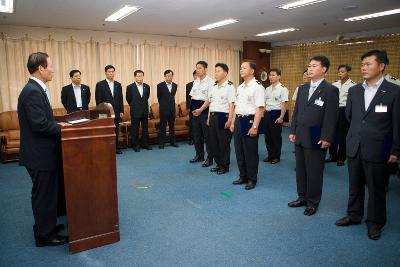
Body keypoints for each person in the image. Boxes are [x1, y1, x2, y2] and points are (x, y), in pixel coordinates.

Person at [335, 50, 400, 240]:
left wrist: (396, 150)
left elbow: (397, 123)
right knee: (354, 184)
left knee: (376, 188)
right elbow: (350, 116)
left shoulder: (394, 91)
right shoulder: (355, 91)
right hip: (355, 145)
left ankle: (375, 222)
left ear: (381, 66)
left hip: (379, 147)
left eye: (369, 64)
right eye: (362, 64)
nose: (364, 67)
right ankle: (353, 215)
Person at [17, 52, 70, 247]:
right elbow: (39, 125)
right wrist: (62, 127)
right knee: (43, 195)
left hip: (42, 152)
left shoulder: (36, 89)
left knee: (47, 194)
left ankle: (45, 226)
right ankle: (44, 236)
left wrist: (57, 123)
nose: (53, 69)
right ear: (41, 68)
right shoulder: (32, 91)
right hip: (39, 155)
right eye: (51, 65)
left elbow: (43, 119)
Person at [288, 55, 339, 216]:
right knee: (301, 170)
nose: (310, 69)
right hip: (300, 134)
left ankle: (312, 202)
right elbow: (296, 112)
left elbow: (331, 116)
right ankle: (302, 197)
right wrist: (293, 131)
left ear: (324, 69)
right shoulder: (302, 88)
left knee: (314, 171)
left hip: (317, 135)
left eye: (314, 66)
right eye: (309, 66)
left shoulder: (330, 90)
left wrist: (327, 137)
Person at [231, 61, 265, 190]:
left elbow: (259, 108)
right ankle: (243, 176)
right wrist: (233, 122)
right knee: (239, 150)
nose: (241, 70)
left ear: (252, 71)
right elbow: (236, 106)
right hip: (239, 120)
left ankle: (252, 179)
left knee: (250, 152)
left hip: (250, 121)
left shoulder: (257, 87)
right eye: (240, 68)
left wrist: (255, 127)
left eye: (244, 68)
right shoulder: (240, 87)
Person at [207, 63, 235, 175]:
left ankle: (224, 166)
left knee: (223, 143)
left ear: (225, 73)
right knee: (213, 142)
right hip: (213, 116)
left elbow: (232, 105)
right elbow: (211, 103)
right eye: (215, 71)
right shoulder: (213, 86)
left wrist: (230, 120)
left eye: (218, 71)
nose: (216, 73)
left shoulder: (230, 87)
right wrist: (209, 117)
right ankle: (218, 164)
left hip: (224, 116)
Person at [326, 64, 355, 166]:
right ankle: (332, 155)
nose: (340, 74)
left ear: (348, 72)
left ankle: (341, 157)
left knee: (343, 135)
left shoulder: (353, 85)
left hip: (345, 111)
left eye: (343, 71)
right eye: (339, 72)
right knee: (332, 133)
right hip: (334, 110)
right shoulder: (334, 84)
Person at [189, 61, 214, 167]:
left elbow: (209, 99)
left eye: (200, 68)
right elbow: (192, 96)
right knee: (196, 135)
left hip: (204, 111)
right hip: (194, 111)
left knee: (207, 136)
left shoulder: (211, 82)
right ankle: (199, 155)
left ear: (205, 69)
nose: (197, 70)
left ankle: (210, 158)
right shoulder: (196, 81)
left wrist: (200, 109)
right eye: (197, 68)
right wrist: (194, 110)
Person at [95, 65, 124, 154]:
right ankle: (107, 148)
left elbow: (120, 98)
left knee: (115, 130)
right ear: (105, 72)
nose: (111, 73)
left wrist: (121, 110)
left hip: (116, 111)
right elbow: (98, 100)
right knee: (106, 130)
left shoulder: (118, 84)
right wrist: (100, 113)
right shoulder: (100, 84)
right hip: (105, 113)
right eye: (109, 71)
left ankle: (115, 148)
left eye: (112, 71)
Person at [263, 68, 289, 164]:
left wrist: (281, 117)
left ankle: (276, 156)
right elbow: (264, 103)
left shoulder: (283, 89)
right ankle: (270, 155)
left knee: (276, 136)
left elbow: (284, 104)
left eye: (273, 75)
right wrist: (263, 114)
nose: (271, 77)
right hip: (267, 114)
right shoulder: (267, 88)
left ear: (279, 76)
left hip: (276, 113)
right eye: (270, 75)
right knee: (267, 136)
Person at [126, 70, 151, 152]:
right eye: (138, 76)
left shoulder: (147, 86)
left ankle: (145, 144)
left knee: (145, 128)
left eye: (141, 76)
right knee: (135, 129)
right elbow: (128, 99)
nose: (140, 77)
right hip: (135, 110)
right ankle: (135, 145)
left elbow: (146, 97)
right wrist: (134, 105)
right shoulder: (130, 87)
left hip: (144, 110)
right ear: (135, 77)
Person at [157, 69, 179, 149]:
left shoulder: (175, 85)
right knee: (162, 126)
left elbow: (172, 96)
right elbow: (159, 97)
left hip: (172, 109)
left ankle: (172, 142)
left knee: (172, 126)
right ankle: (161, 143)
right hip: (163, 109)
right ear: (165, 76)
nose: (170, 77)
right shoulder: (160, 85)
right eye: (168, 76)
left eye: (171, 75)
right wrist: (164, 104)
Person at [186, 70, 197, 145]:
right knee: (192, 124)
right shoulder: (189, 85)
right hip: (192, 107)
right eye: (196, 75)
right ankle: (191, 139)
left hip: (201, 108)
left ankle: (200, 139)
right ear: (193, 76)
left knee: (200, 124)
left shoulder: (204, 84)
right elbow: (187, 97)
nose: (197, 76)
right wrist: (188, 107)